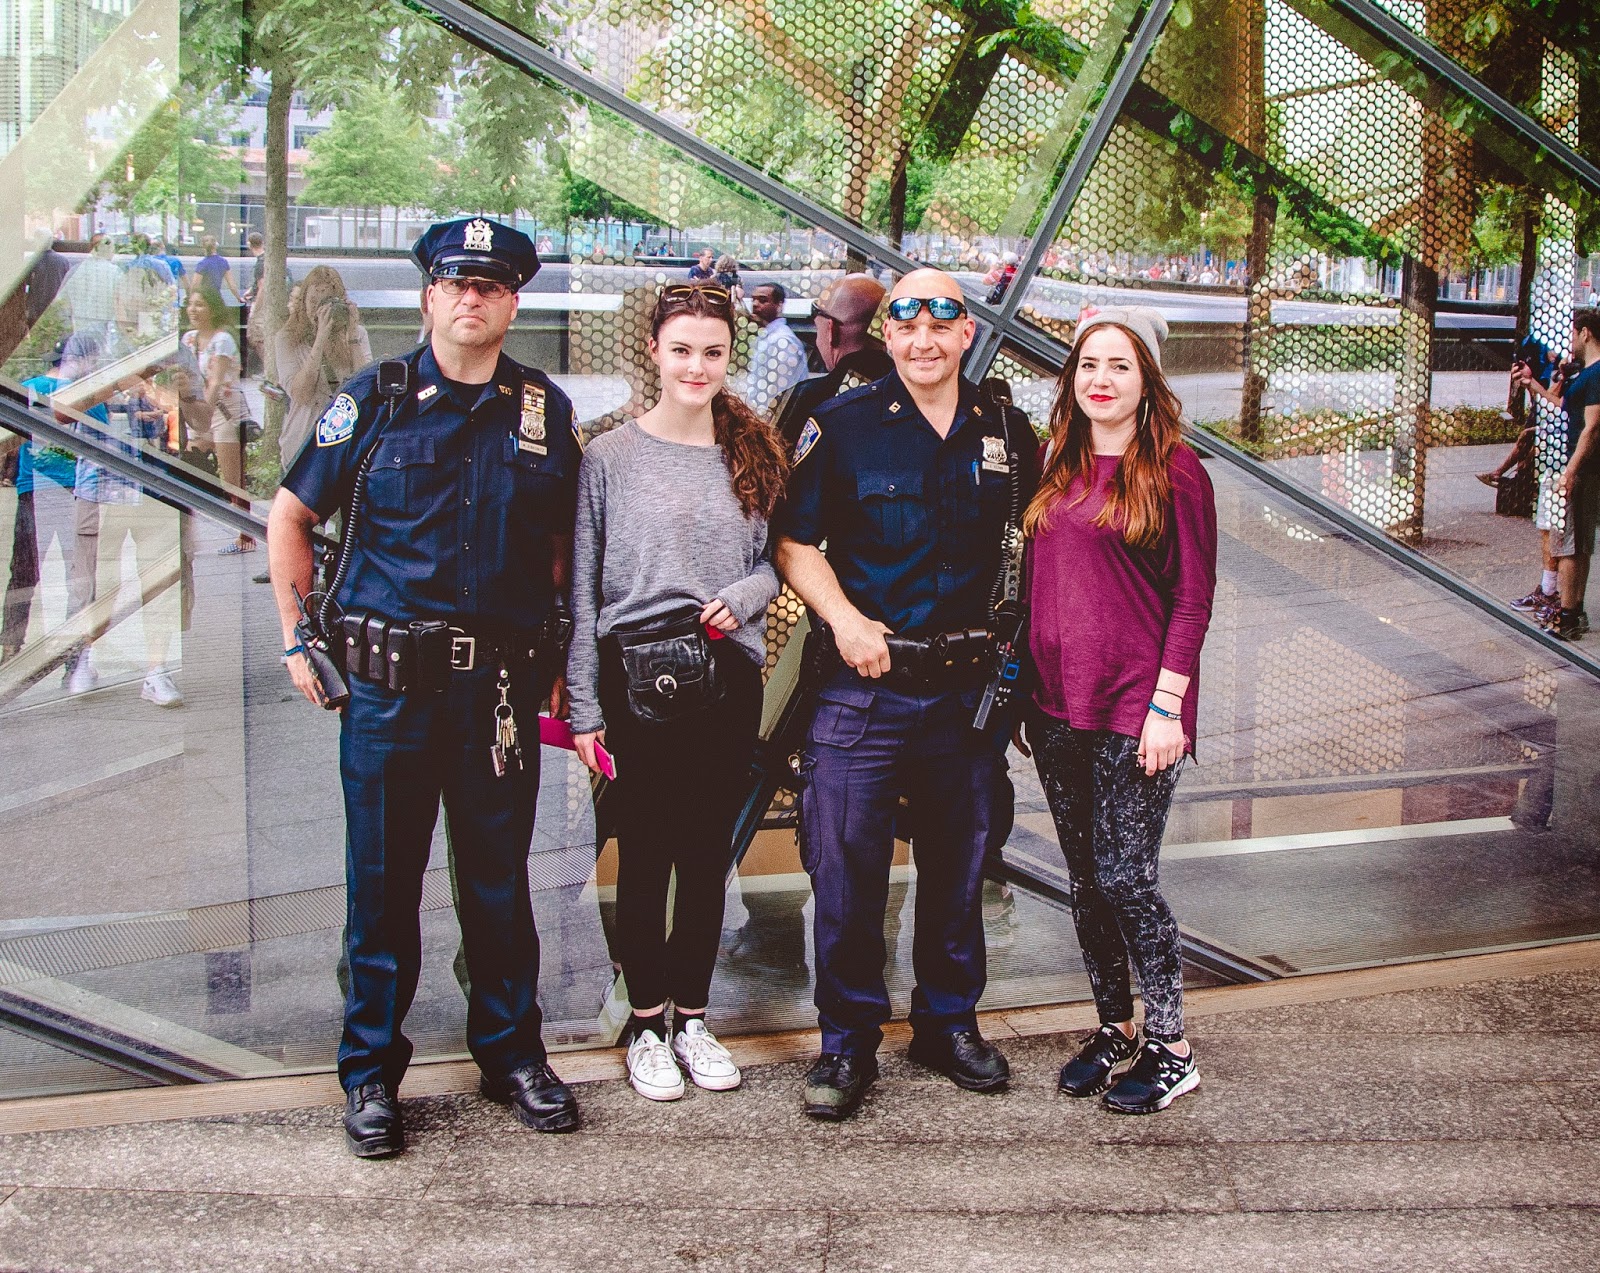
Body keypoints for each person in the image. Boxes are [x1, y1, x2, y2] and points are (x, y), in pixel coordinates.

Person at [266, 217, 584, 1158]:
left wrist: (558, 660)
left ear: (512, 304)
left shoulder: (542, 410)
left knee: (498, 885)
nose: (472, 299)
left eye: (491, 286)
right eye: (457, 284)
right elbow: (290, 516)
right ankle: (370, 1072)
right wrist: (298, 638)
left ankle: (511, 1054)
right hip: (389, 694)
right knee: (381, 889)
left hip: (497, 694)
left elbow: (561, 548)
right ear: (429, 297)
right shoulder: (373, 400)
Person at [774, 269, 1037, 1121]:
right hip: (865, 689)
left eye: (942, 320)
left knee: (960, 869)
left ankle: (946, 1024)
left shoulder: (1006, 431)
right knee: (847, 875)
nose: (924, 338)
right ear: (887, 335)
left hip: (964, 697)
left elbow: (1033, 546)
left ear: (966, 333)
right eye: (907, 322)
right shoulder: (842, 424)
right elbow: (793, 542)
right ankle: (848, 1040)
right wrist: (846, 620)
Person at [568, 283, 786, 1102]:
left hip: (725, 674)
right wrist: (584, 707)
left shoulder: (752, 452)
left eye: (713, 352)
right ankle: (645, 1024)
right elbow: (582, 590)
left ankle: (693, 1018)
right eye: (683, 349)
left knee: (705, 858)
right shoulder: (609, 458)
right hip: (637, 678)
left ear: (730, 357)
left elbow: (773, 560)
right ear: (654, 352)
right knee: (645, 855)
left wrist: (748, 594)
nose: (697, 366)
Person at [1019, 306, 1216, 1114]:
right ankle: (1115, 1026)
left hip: (1137, 707)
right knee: (1085, 879)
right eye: (1088, 364)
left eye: (1119, 365)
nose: (1101, 379)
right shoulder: (1054, 460)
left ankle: (1172, 1046)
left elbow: (1193, 598)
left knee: (1128, 876)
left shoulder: (1176, 469)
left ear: (1147, 381)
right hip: (1055, 707)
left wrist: (1168, 707)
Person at [1514, 311, 1600, 640]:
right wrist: (1534, 385)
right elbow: (1564, 408)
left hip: (1575, 468)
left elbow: (1591, 428)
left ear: (1585, 333)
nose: (1570, 340)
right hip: (1577, 467)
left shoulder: (1595, 374)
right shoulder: (1588, 373)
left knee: (1566, 545)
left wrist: (1570, 471)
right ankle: (1574, 611)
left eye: (1573, 332)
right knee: (1577, 545)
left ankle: (1567, 614)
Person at [273, 265, 373, 472]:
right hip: (302, 444)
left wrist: (351, 334)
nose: (319, 309)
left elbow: (365, 389)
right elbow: (300, 394)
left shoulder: (357, 334)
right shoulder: (287, 339)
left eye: (326, 302)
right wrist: (320, 339)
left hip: (345, 445)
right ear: (303, 302)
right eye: (313, 301)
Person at [182, 286, 254, 555]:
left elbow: (215, 383)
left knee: (232, 480)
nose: (193, 310)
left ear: (212, 309)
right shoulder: (189, 339)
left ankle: (246, 536)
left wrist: (202, 416)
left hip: (225, 412)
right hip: (200, 411)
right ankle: (188, 534)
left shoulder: (223, 340)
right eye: (191, 304)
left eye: (200, 304)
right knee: (191, 467)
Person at [743, 281, 807, 417]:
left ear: (779, 304)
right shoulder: (767, 336)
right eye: (753, 299)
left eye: (762, 300)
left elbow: (778, 392)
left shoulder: (782, 342)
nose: (755, 304)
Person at [191, 235, 242, 303]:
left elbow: (195, 285)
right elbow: (232, 285)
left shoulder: (202, 264)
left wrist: (190, 298)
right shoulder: (224, 262)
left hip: (204, 299)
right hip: (217, 298)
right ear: (215, 245)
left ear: (203, 247)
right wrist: (239, 298)